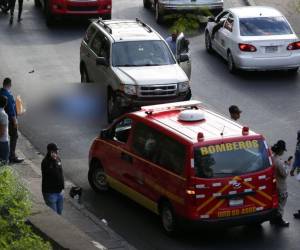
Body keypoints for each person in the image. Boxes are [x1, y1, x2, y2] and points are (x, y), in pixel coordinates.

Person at [0, 78, 24, 163]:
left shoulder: (1, 92)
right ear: (9, 85)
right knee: (14, 136)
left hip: (4, 119)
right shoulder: (8, 95)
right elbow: (11, 110)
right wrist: (15, 122)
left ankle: (10, 155)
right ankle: (12, 156)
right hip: (9, 119)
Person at [270, 140, 291, 227]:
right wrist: (288, 165)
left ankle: (273, 218)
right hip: (280, 185)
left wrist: (284, 163)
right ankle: (279, 220)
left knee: (275, 202)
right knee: (281, 202)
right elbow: (284, 174)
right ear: (281, 150)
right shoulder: (279, 161)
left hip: (273, 184)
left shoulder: (272, 158)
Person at [41, 143, 65, 215]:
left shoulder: (58, 159)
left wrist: (62, 188)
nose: (57, 153)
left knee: (59, 213)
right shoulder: (45, 162)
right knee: (54, 215)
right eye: (55, 151)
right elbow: (51, 173)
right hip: (50, 193)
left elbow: (60, 173)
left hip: (59, 192)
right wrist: (54, 161)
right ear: (50, 152)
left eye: (57, 151)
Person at [0, 95, 9, 164]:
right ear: (6, 104)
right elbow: (2, 132)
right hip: (3, 142)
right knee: (4, 163)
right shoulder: (3, 115)